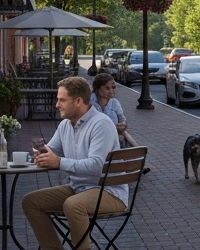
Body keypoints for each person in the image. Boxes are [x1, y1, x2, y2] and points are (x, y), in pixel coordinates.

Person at [22, 76, 126, 250]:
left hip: (108, 192)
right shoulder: (65, 125)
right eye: (57, 100)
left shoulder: (101, 124)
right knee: (31, 202)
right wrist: (41, 155)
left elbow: (96, 166)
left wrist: (59, 162)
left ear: (78, 101)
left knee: (73, 205)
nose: (57, 105)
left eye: (62, 100)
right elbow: (52, 153)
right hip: (77, 189)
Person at [90, 73, 136, 147]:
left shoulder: (115, 103)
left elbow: (122, 119)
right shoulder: (89, 103)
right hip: (95, 141)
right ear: (98, 89)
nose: (111, 91)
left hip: (114, 140)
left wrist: (123, 124)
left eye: (113, 87)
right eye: (107, 88)